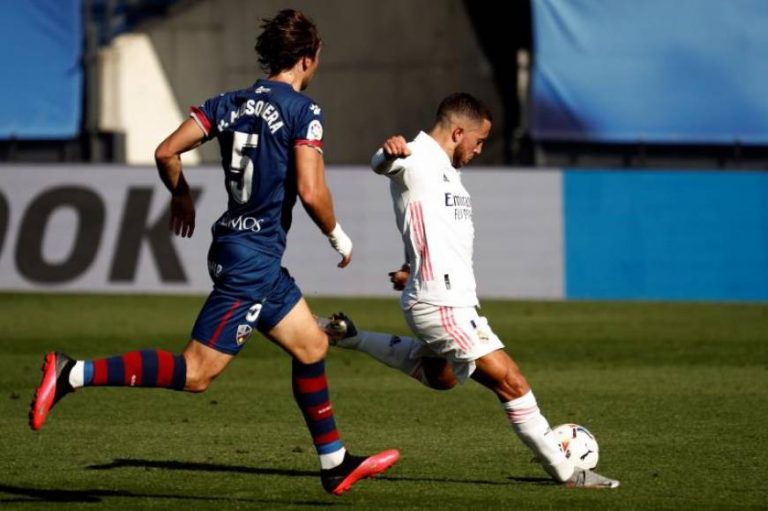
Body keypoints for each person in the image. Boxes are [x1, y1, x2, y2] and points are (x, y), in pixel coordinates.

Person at [29, 8, 398, 496]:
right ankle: (72, 371)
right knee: (197, 373)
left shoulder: (228, 102)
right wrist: (338, 236)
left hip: (238, 246)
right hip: (252, 261)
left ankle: (334, 463)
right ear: (307, 60)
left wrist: (181, 195)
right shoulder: (302, 111)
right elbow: (311, 192)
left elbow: (166, 151)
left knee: (311, 345)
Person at [321, 93, 618, 488]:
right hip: (442, 304)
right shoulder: (415, 156)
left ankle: (352, 337)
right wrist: (387, 152)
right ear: (458, 131)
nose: (479, 149)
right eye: (478, 141)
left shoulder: (447, 171)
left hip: (444, 296)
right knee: (511, 381)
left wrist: (414, 270)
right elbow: (385, 163)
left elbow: (438, 235)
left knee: (439, 376)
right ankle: (567, 472)